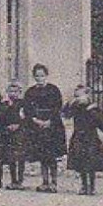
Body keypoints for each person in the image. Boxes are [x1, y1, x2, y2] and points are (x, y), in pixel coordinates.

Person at [23, 63, 67, 193]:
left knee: (52, 155)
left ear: (46, 75)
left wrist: (50, 121)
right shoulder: (30, 92)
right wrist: (35, 120)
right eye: (37, 76)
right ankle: (45, 181)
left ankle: (54, 182)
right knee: (42, 156)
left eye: (42, 75)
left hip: (52, 125)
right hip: (37, 125)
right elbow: (27, 108)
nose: (39, 78)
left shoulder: (53, 90)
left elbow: (58, 106)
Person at [64, 84, 103, 195]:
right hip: (79, 136)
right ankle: (84, 186)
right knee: (81, 163)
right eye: (77, 95)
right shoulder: (75, 107)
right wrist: (70, 103)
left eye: (81, 95)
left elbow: (102, 122)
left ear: (87, 95)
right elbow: (66, 115)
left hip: (91, 137)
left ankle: (92, 187)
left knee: (91, 163)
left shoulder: (93, 108)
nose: (79, 98)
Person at [3, 81, 29, 189]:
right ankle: (13, 180)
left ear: (20, 92)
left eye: (15, 91)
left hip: (20, 132)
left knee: (20, 156)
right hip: (9, 132)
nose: (13, 94)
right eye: (11, 91)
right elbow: (2, 118)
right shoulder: (5, 104)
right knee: (11, 157)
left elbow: (26, 117)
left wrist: (19, 125)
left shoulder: (23, 104)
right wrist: (8, 126)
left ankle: (20, 180)